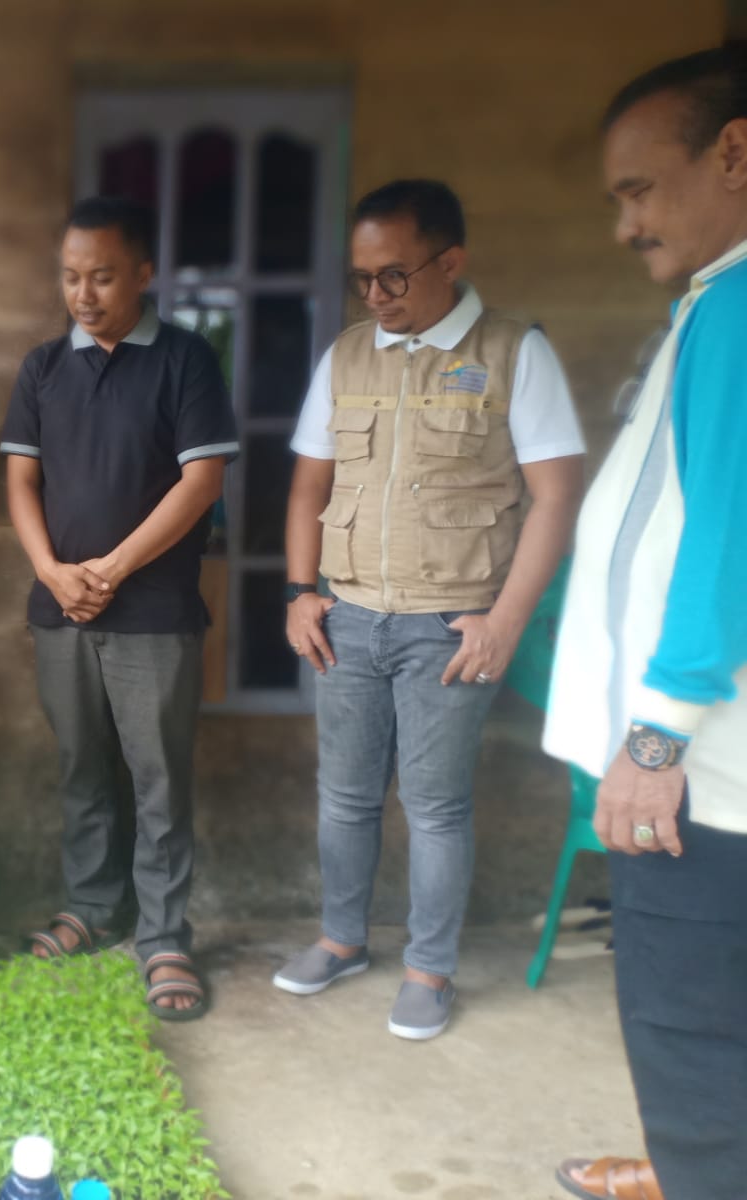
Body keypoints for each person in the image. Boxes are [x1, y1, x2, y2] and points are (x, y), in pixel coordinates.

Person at [273, 180, 585, 1040]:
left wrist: (505, 621)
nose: (376, 296)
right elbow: (306, 489)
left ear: (451, 263)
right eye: (362, 279)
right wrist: (300, 593)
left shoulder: (515, 352)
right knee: (344, 798)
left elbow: (556, 496)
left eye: (394, 276)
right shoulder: (346, 356)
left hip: (451, 626)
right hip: (348, 618)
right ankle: (342, 940)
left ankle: (428, 969)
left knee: (436, 806)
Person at [546, 45, 747, 1200]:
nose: (624, 225)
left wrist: (657, 736)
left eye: (638, 191)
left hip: (701, 778)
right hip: (704, 767)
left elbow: (726, 540)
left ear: (733, 154)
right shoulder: (716, 305)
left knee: (691, 1030)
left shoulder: (738, 311)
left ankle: (700, 1170)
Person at [1, 196, 238, 1021]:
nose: (84, 294)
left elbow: (201, 482)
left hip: (155, 614)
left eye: (102, 277)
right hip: (60, 610)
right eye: (71, 277)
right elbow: (21, 481)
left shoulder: (186, 361)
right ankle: (93, 908)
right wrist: (51, 571)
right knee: (82, 769)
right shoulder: (43, 369)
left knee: (159, 777)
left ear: (143, 273)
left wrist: (111, 568)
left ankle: (165, 935)